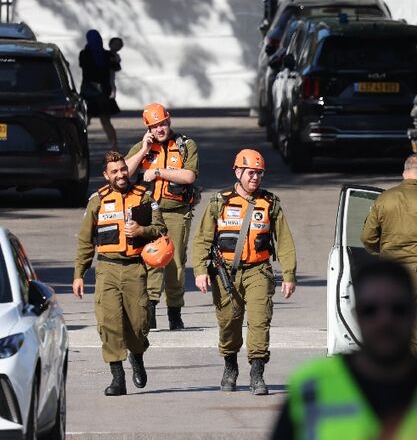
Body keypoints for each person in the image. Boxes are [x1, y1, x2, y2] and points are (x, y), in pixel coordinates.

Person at [271, 260, 417, 440]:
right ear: (357, 314)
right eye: (371, 310)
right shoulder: (311, 389)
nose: (384, 320)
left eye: (397, 309)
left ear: (416, 313)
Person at [191, 149, 297, 395]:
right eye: (250, 173)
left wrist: (289, 274)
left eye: (259, 173)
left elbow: (284, 241)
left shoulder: (270, 203)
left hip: (258, 270)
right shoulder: (219, 202)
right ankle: (230, 366)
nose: (255, 178)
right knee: (228, 323)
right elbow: (202, 239)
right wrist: (200, 270)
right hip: (224, 272)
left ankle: (257, 372)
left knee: (260, 320)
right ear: (238, 172)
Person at [71, 151, 166, 396]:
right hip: (107, 270)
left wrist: (142, 230)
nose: (121, 174)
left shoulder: (143, 197)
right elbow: (84, 241)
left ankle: (137, 356)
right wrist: (79, 274)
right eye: (115, 171)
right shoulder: (98, 201)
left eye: (123, 169)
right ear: (106, 175)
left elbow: (160, 230)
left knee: (138, 325)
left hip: (135, 268)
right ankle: (117, 378)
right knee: (109, 323)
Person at [360, 154, 417, 360]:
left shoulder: (384, 199)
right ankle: (412, 376)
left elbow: (367, 238)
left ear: (404, 173)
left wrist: (383, 254)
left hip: (389, 273)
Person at [125, 103, 199, 330]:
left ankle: (174, 312)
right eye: (154, 126)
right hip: (149, 214)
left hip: (176, 212)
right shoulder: (142, 146)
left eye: (163, 123)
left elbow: (188, 177)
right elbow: (124, 173)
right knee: (150, 260)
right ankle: (151, 310)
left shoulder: (186, 145)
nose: (160, 129)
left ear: (169, 121)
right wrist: (142, 152)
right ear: (148, 128)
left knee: (175, 263)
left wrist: (158, 172)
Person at [79, 30, 118, 152]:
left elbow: (84, 67)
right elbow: (116, 67)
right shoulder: (106, 55)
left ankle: (78, 145)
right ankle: (114, 146)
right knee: (106, 121)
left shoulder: (84, 54)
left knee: (84, 121)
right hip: (103, 92)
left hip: (88, 91)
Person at [107, 37, 124, 116]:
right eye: (115, 44)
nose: (116, 46)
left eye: (118, 45)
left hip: (111, 81)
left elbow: (117, 68)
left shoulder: (116, 56)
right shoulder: (106, 54)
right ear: (110, 44)